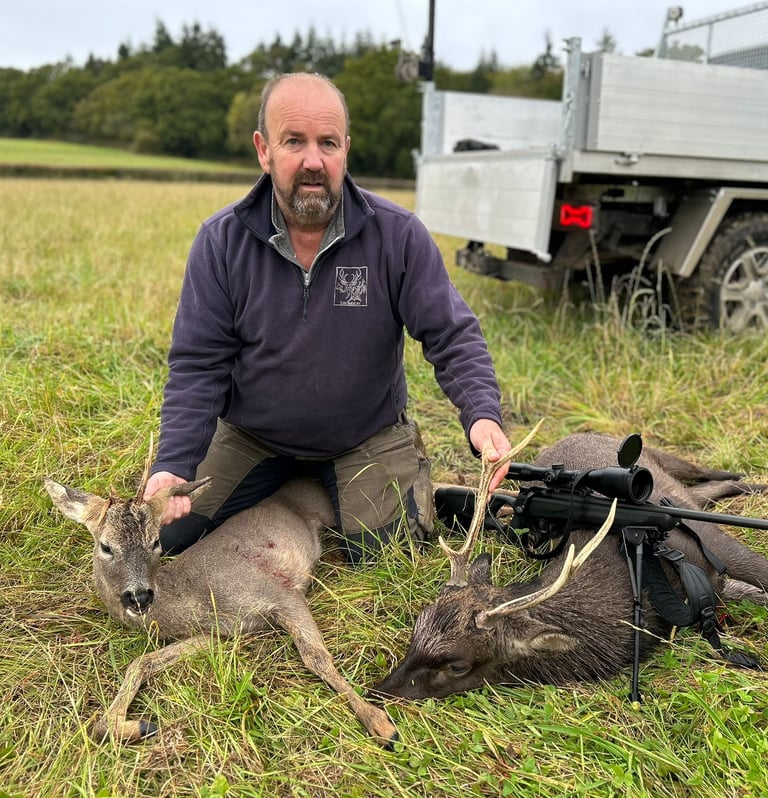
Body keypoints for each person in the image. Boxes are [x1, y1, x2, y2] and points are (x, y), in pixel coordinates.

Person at [143, 71, 512, 565]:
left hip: (364, 435)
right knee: (169, 535)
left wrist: (482, 415)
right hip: (254, 436)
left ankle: (399, 480)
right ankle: (296, 483)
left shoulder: (398, 235)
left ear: (346, 151)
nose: (313, 161)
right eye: (294, 141)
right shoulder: (221, 241)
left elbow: (452, 335)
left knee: (389, 558)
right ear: (264, 150)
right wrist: (174, 462)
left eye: (328, 143)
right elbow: (197, 364)